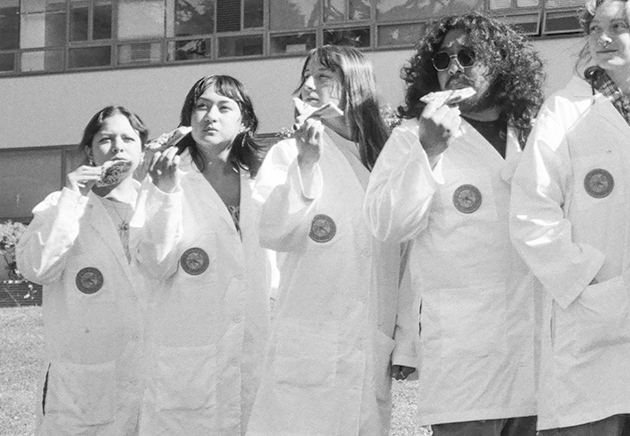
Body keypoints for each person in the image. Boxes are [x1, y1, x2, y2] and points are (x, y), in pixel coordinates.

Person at [510, 0, 630, 436]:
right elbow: (531, 212)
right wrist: (587, 279)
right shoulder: (562, 112)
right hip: (588, 311)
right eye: (595, 29)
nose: (603, 37)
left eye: (618, 27)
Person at [365, 13, 544, 436]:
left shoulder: (534, 130)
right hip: (464, 353)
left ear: (500, 61)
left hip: (537, 351)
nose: (453, 67)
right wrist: (428, 152)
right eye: (443, 60)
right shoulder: (413, 133)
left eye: (467, 55)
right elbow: (384, 223)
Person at [246, 46, 403, 436]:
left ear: (355, 85)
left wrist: (405, 339)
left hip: (367, 342)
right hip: (307, 343)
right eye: (306, 76)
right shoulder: (287, 153)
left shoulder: (387, 158)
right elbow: (272, 231)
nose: (309, 85)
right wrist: (307, 163)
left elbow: (405, 257)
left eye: (324, 76)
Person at [135, 75, 273, 436]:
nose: (210, 115)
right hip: (188, 357)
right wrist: (164, 194)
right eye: (201, 106)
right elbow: (154, 263)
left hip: (255, 347)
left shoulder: (264, 179)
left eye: (224, 107)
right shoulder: (165, 177)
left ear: (245, 122)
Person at [17, 105, 149, 436]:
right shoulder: (58, 206)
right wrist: (72, 198)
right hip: (84, 387)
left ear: (142, 152)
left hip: (150, 378)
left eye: (128, 139)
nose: (118, 146)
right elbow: (37, 268)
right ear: (89, 151)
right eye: (106, 139)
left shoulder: (160, 204)